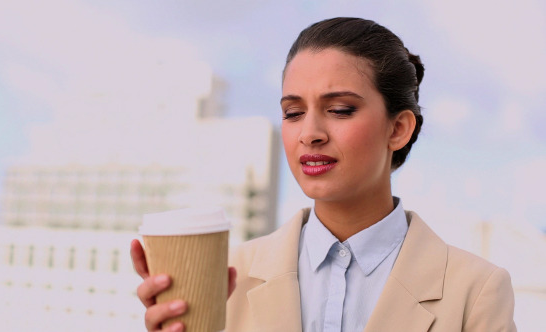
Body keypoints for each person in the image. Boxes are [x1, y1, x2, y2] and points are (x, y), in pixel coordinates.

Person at [130, 17, 516, 332]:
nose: (309, 133)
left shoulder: (476, 291)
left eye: (341, 109)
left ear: (398, 129)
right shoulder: (228, 278)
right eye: (293, 112)